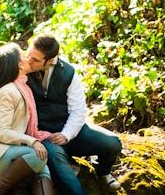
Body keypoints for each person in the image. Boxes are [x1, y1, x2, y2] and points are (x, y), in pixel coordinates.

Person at [23, 34, 122, 195]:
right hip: (42, 136)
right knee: (59, 165)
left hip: (69, 130)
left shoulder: (67, 72)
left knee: (113, 143)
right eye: (28, 55)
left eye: (35, 59)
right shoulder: (22, 68)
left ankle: (102, 173)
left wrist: (66, 135)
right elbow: (1, 90)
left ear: (50, 60)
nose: (29, 61)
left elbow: (78, 110)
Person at [0, 43, 55, 195]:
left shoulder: (21, 86)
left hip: (5, 152)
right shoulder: (8, 90)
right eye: (24, 55)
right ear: (19, 64)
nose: (28, 57)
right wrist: (32, 141)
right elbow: (1, 132)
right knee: (37, 156)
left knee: (42, 166)